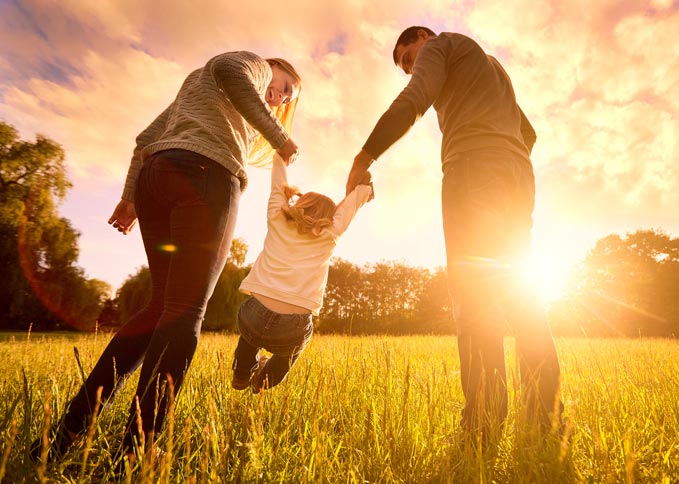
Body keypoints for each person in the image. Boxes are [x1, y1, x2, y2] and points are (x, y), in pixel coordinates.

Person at [31, 51, 303, 465]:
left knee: (160, 307)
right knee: (186, 311)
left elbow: (145, 140)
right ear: (271, 67)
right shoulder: (250, 64)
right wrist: (279, 135)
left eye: (286, 99)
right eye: (284, 86)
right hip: (207, 176)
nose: (280, 98)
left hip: (157, 178)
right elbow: (232, 70)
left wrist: (129, 197)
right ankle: (138, 449)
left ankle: (69, 430)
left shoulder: (202, 92)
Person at [345, 27, 561, 434]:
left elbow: (415, 99)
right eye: (406, 66)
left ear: (424, 38)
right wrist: (502, 157)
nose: (412, 69)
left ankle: (482, 421)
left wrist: (365, 156)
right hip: (517, 174)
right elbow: (527, 132)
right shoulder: (491, 66)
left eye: (410, 58)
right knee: (520, 293)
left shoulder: (441, 45)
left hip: (473, 170)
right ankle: (545, 418)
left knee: (474, 293)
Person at [231, 154, 373, 394]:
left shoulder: (277, 217)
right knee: (288, 354)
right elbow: (350, 207)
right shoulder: (330, 233)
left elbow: (278, 185)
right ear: (330, 218)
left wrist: (280, 157)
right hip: (293, 326)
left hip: (254, 313)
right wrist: (364, 187)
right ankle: (263, 381)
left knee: (250, 336)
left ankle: (242, 374)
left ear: (299, 204)